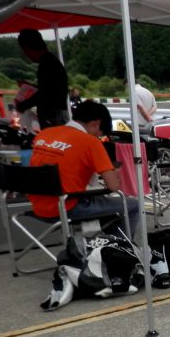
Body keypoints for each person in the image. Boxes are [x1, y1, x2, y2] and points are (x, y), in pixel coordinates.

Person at [28, 100, 140, 241]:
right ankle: (119, 249)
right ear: (96, 123)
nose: (98, 137)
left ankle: (101, 244)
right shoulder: (90, 142)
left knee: (105, 204)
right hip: (68, 206)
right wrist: (115, 173)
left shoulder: (44, 134)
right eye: (99, 134)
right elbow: (113, 186)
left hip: (38, 206)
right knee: (132, 205)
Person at [14, 28, 69, 129]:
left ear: (28, 49)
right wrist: (30, 86)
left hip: (53, 116)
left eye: (25, 52)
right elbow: (50, 88)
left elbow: (45, 93)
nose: (26, 55)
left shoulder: (47, 64)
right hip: (56, 115)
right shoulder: (50, 61)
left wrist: (23, 105)